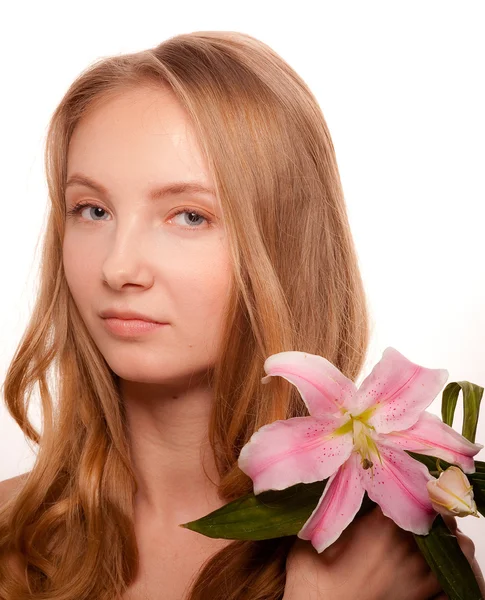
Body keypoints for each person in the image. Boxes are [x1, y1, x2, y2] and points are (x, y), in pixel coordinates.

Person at [0, 31, 482, 600]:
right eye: (93, 209)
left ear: (283, 248)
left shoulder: (396, 558)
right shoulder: (11, 531)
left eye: (189, 216)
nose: (118, 266)